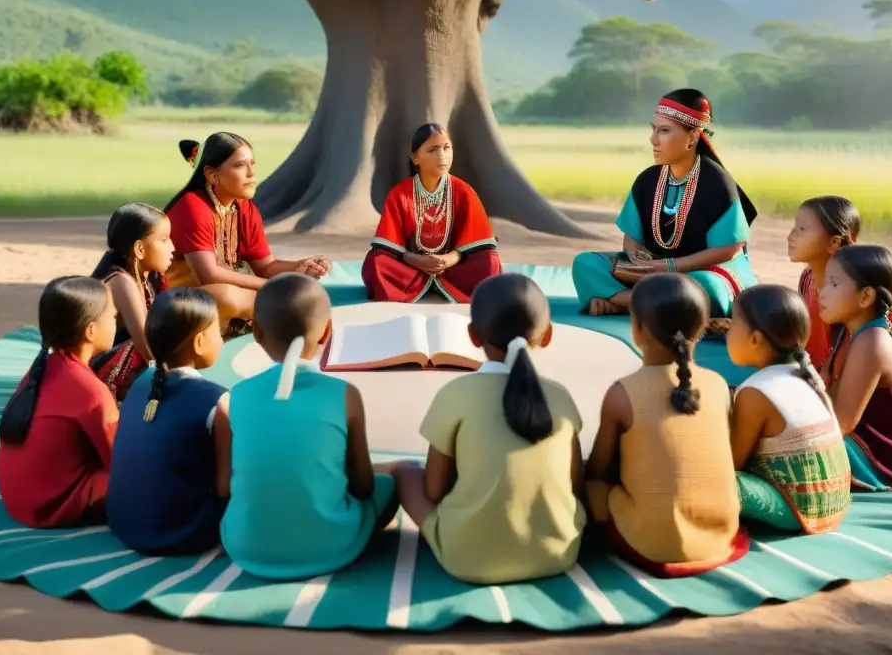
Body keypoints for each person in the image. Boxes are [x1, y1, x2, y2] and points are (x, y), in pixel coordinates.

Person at [393, 273, 585, 584]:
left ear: (472, 335)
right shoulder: (560, 395)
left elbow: (433, 490)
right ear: (547, 335)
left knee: (405, 473)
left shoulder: (455, 393)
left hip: (468, 559)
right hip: (557, 555)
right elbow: (575, 484)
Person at [220, 273, 398, 579]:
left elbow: (232, 482)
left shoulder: (237, 396)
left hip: (246, 546)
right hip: (331, 546)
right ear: (327, 331)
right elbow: (364, 486)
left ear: (257, 332)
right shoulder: (344, 394)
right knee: (394, 482)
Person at [583, 273, 747, 577]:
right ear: (701, 329)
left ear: (637, 330)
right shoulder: (718, 385)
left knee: (591, 488)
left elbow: (597, 470)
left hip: (653, 544)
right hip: (721, 534)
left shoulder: (622, 393)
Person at [571, 89, 758, 318]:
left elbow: (730, 249)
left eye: (665, 131)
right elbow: (632, 239)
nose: (653, 139)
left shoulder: (717, 182)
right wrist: (639, 262)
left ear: (692, 137)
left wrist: (670, 268)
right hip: (653, 271)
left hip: (707, 271)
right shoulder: (647, 180)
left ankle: (624, 301)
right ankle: (652, 303)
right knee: (586, 264)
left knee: (704, 287)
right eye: (654, 129)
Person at [164, 132, 331, 333]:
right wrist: (273, 287)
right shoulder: (193, 206)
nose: (251, 173)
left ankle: (269, 313)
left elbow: (267, 267)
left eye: (252, 163)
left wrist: (299, 267)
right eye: (240, 165)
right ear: (212, 175)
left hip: (217, 301)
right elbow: (209, 275)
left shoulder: (245, 209)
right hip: (171, 306)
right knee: (227, 295)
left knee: (299, 293)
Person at [108, 288, 229, 556]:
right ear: (199, 342)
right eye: (218, 331)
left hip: (123, 523)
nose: (221, 339)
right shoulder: (218, 400)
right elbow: (224, 488)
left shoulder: (139, 384)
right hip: (181, 533)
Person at [0, 277, 119, 528]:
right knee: (150, 480)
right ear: (91, 330)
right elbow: (118, 463)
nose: (117, 321)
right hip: (47, 506)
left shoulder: (42, 368)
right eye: (113, 316)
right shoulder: (89, 389)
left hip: (15, 498)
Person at [727, 285, 851, 534]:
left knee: (707, 478)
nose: (726, 333)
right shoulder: (805, 373)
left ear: (755, 340)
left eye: (731, 325)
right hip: (836, 501)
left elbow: (733, 462)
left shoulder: (756, 392)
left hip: (798, 508)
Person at [819, 245, 892, 491]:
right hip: (860, 436)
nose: (822, 293)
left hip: (887, 458)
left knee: (778, 447)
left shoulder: (872, 342)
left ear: (865, 297)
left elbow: (841, 424)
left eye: (833, 285)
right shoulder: (848, 333)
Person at [362, 123, 502, 303]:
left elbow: (479, 240)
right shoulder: (400, 194)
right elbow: (387, 243)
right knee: (376, 263)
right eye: (433, 150)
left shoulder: (464, 191)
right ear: (415, 158)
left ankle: (444, 281)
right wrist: (415, 260)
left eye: (446, 148)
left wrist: (450, 258)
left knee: (489, 262)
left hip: (453, 268)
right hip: (409, 266)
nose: (442, 156)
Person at [788, 196, 892, 384]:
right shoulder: (807, 278)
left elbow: (848, 368)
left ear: (833, 243)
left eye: (802, 229)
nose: (791, 236)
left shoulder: (848, 295)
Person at [89, 203, 174, 401]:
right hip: (97, 372)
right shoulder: (121, 281)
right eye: (164, 240)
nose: (173, 247)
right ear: (139, 249)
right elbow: (146, 344)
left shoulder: (147, 276)